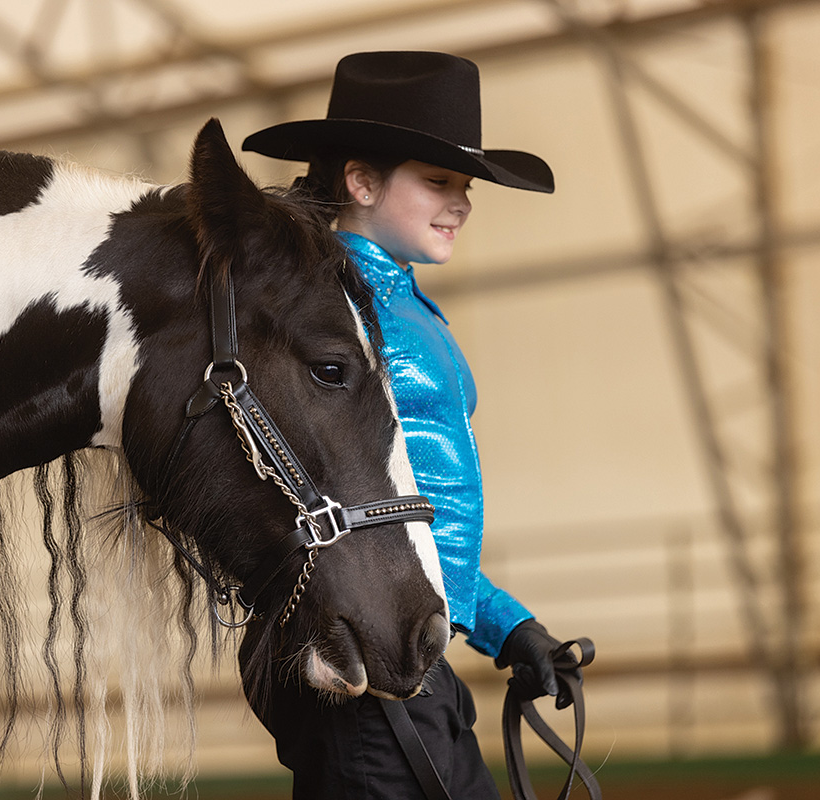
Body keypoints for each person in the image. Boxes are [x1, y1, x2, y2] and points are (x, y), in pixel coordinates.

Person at [239, 51, 579, 799]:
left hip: (419, 661)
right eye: (439, 181)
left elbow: (403, 521)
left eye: (463, 186)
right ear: (362, 181)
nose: (461, 203)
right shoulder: (334, 317)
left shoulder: (405, 309)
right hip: (365, 672)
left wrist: (506, 625)